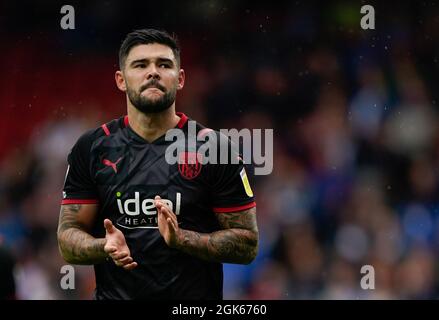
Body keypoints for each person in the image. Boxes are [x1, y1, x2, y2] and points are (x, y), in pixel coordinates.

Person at [57, 28, 258, 300]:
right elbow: (67, 240)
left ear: (180, 78)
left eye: (164, 64)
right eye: (140, 65)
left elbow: (248, 245)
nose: (153, 72)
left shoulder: (216, 149)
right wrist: (104, 246)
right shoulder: (92, 147)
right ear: (121, 80)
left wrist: (182, 239)